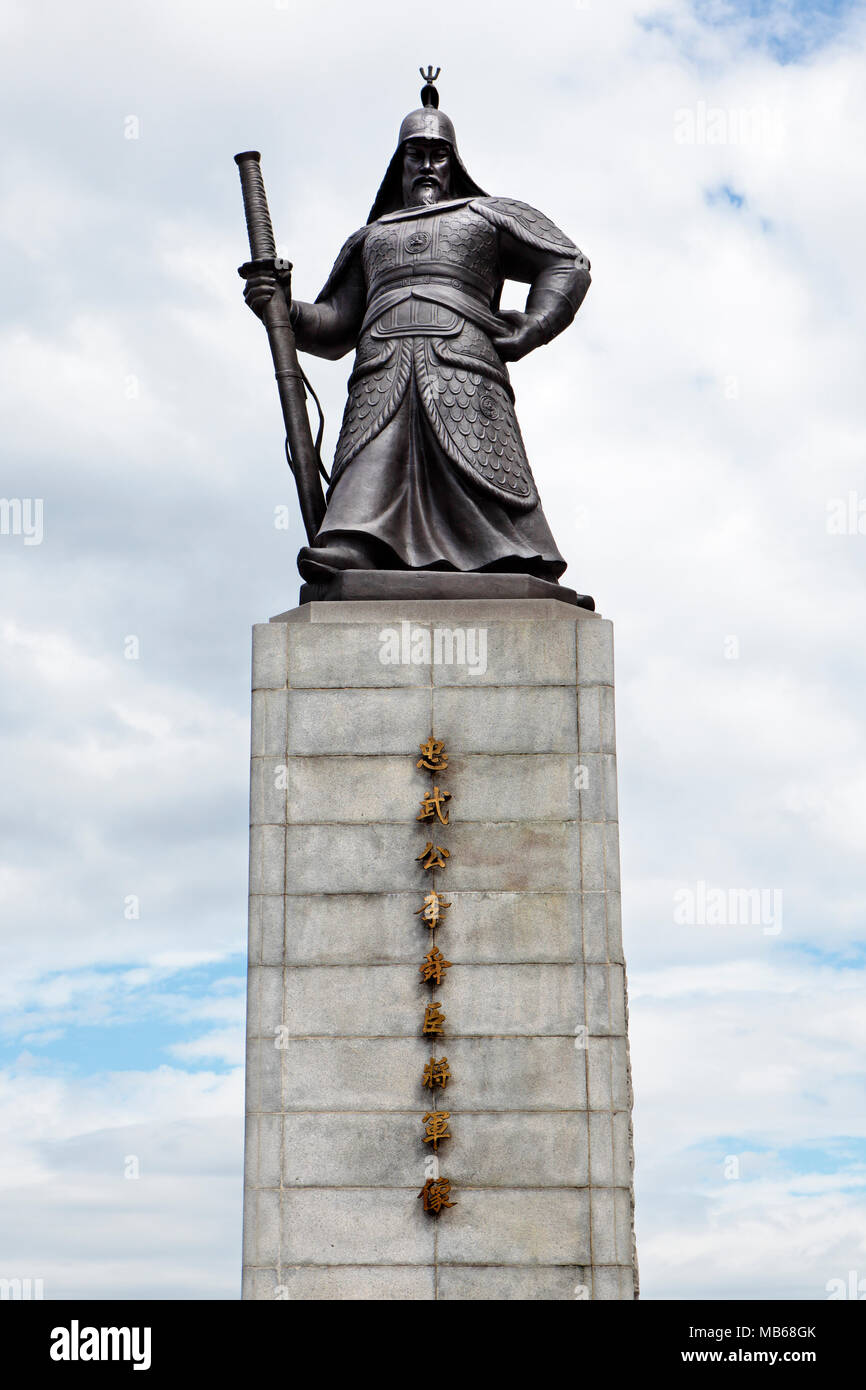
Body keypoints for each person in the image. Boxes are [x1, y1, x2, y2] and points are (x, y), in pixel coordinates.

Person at [244, 73, 591, 586]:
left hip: (461, 362)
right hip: (381, 368)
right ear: (399, 164)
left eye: (438, 154)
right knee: (371, 465)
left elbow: (568, 263)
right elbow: (337, 324)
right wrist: (284, 310)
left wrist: (535, 326)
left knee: (479, 466)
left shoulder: (486, 216)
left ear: (454, 163)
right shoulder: (371, 237)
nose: (427, 165)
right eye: (415, 154)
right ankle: (357, 543)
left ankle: (508, 557)